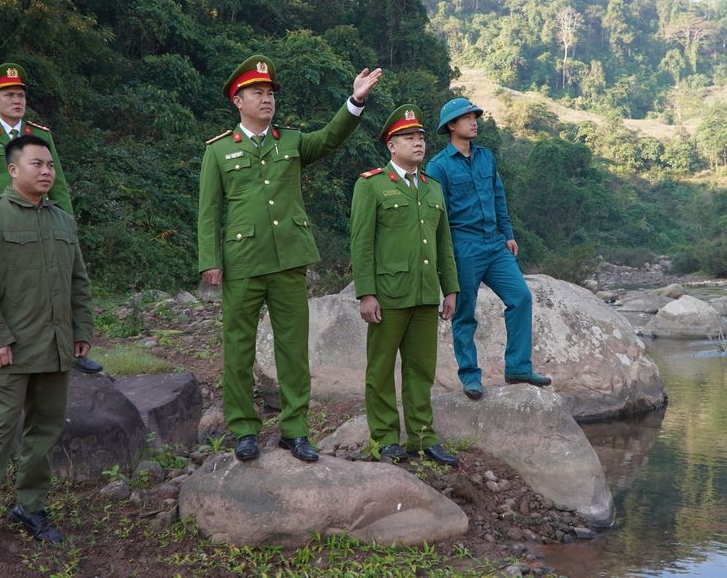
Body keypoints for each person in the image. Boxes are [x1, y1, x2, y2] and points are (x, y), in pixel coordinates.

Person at [198, 54, 382, 463]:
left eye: (270, 93)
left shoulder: (292, 141)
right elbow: (209, 211)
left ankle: (295, 430)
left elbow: (330, 138)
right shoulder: (218, 151)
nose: (266, 99)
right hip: (242, 261)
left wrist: (355, 102)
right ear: (237, 101)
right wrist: (210, 260)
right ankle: (244, 429)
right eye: (257, 93)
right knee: (238, 348)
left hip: (288, 260)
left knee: (293, 349)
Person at [0, 135, 94, 565]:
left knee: (45, 430)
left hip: (55, 346)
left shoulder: (62, 220)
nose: (47, 171)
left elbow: (78, 281)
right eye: (37, 164)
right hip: (10, 349)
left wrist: (81, 329)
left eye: (50, 164)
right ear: (13, 170)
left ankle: (29, 507)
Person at [0, 62, 102, 375]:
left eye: (21, 94)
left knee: (58, 284)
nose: (17, 100)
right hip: (1, 229)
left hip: (45, 224)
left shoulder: (40, 135)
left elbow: (59, 185)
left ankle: (69, 349)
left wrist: (67, 227)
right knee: (4, 291)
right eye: (9, 95)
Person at [350, 105, 460, 466]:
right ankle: (385, 438)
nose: (418, 143)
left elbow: (444, 243)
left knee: (421, 369)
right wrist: (366, 292)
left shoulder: (433, 189)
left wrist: (451, 289)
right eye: (409, 137)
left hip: (426, 293)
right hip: (389, 294)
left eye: (421, 137)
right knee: (380, 369)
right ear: (391, 145)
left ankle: (422, 436)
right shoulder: (372, 185)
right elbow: (362, 242)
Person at [424, 97, 551, 400]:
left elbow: (498, 196)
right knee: (465, 313)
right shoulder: (438, 166)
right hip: (463, 245)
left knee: (520, 297)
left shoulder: (487, 157)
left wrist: (507, 233)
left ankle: (518, 367)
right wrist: (443, 257)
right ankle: (470, 376)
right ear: (451, 126)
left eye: (474, 116)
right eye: (467, 118)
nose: (474, 121)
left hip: (494, 244)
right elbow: (434, 216)